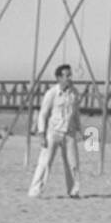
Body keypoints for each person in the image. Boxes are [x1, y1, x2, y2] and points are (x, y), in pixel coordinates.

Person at [28, 63, 82, 198]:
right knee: (45, 163)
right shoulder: (51, 94)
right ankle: (35, 191)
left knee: (72, 164)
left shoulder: (75, 93)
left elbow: (76, 113)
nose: (70, 78)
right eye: (66, 75)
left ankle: (73, 191)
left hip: (69, 133)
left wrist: (80, 130)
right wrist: (41, 133)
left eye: (70, 75)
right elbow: (43, 114)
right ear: (59, 77)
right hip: (53, 133)